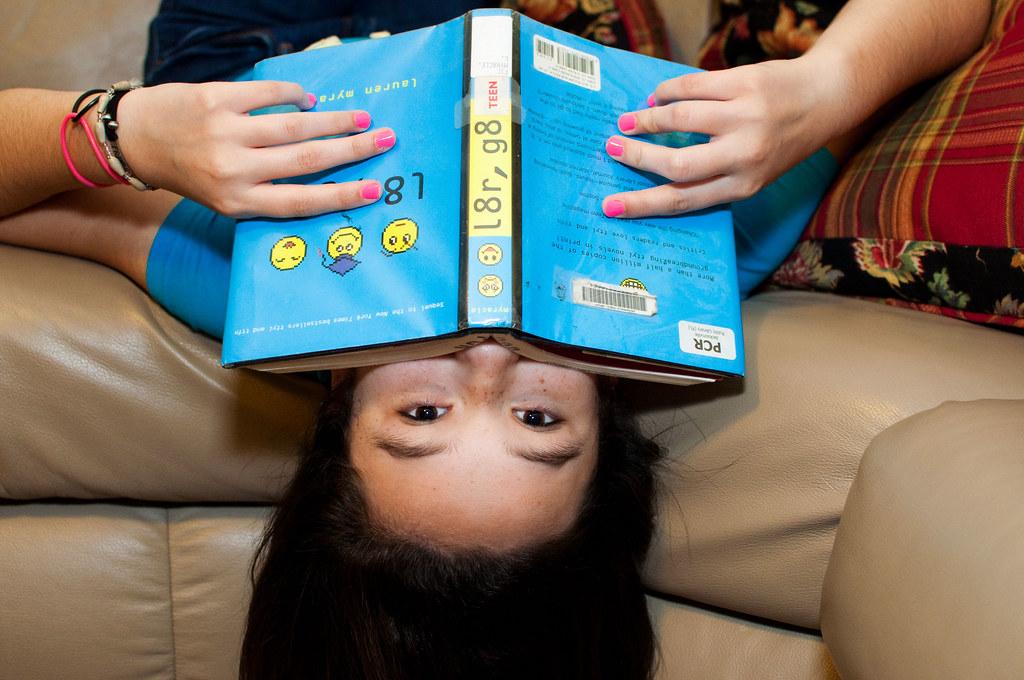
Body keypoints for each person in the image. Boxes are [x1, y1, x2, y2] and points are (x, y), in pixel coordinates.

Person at [0, 0, 994, 677]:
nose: (488, 359)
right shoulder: (692, 257)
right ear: (610, 414)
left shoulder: (251, 284)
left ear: (338, 401)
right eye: (534, 415)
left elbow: (33, 201)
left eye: (423, 410)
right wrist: (822, 92)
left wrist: (124, 131)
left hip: (247, 45)